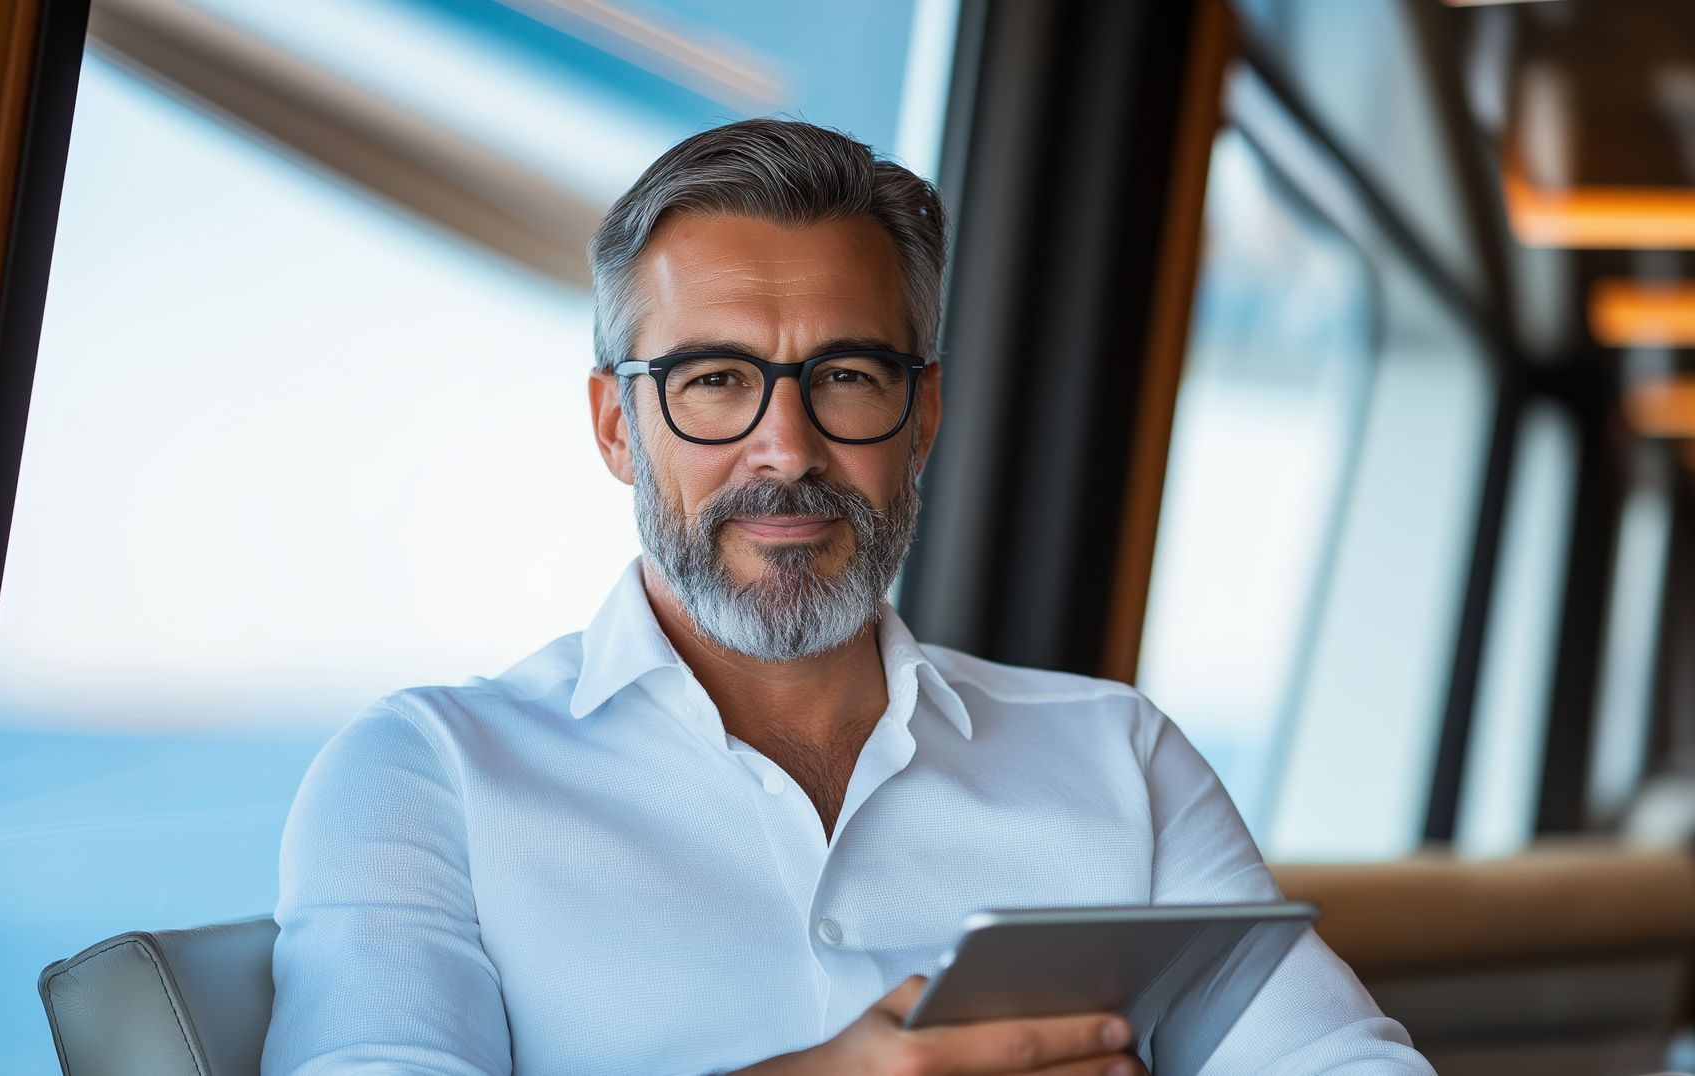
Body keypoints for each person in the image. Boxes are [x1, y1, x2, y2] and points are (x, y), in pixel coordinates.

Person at [261, 118, 1432, 1076]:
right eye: (714, 380)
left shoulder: (1121, 754)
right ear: (619, 426)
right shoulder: (429, 776)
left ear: (920, 418)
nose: (787, 447)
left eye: (847, 377)